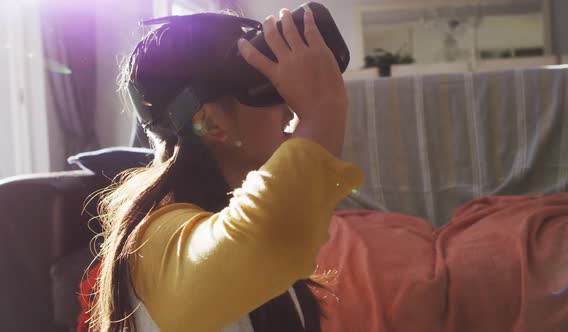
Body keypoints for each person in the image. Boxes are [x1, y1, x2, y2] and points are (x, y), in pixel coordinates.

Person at [88, 7, 363, 332]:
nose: (287, 104)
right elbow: (265, 238)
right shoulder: (153, 241)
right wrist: (323, 110)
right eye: (261, 85)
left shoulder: (236, 226)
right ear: (209, 121)